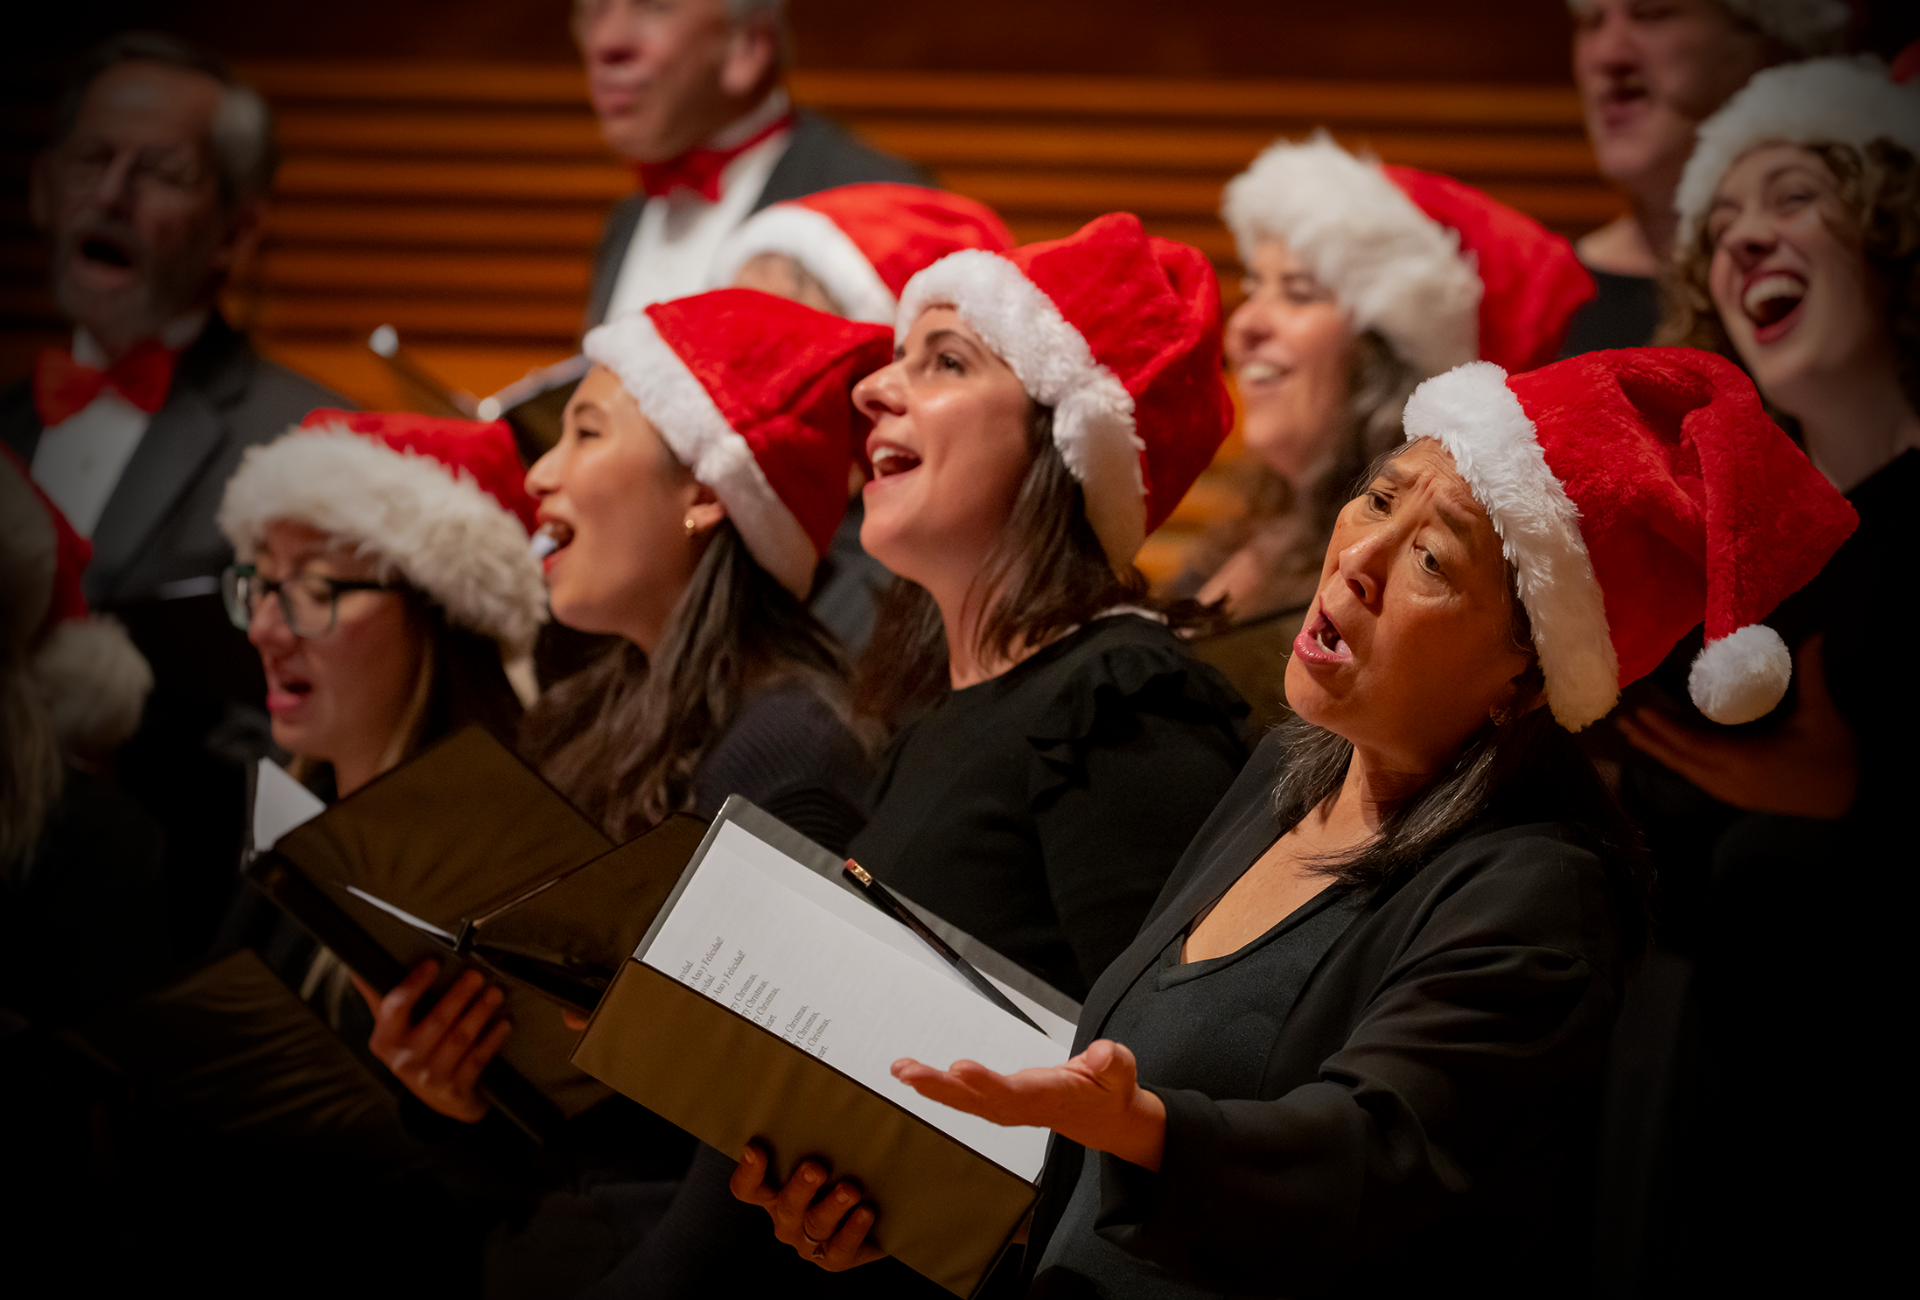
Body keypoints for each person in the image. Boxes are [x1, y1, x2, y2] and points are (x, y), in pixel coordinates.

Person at [738, 346, 1857, 1296]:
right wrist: (913, 1207)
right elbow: (1101, 1194)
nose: (1359, 558)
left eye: (1432, 556)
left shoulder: (1541, 888)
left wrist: (1144, 1127)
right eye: (1378, 498)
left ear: (1527, 675)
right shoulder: (1288, 772)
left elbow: (1370, 1150)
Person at [585, 215, 1251, 1300]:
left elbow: (1184, 1095)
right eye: (898, 358)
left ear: (1057, 441)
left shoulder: (1120, 696)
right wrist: (856, 1204)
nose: (875, 391)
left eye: (945, 360)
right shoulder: (929, 723)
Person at [352, 291, 892, 1297]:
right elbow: (571, 1148)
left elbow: (755, 1161)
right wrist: (450, 1090)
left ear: (705, 490)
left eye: (586, 431)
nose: (541, 470)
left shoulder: (788, 751)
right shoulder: (585, 716)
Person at [1607, 58, 1919, 1292]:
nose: (1743, 243)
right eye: (1720, 229)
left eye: (1788, 198)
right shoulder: (1726, 559)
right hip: (1694, 1122)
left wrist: (1861, 809)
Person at [1, 32, 346, 959]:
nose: (110, 193)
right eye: (90, 160)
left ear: (235, 230)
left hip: (173, 945)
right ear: (41, 186)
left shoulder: (310, 438)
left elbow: (330, 752)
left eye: (158, 172)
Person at [1183, 135, 1593, 728]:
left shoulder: (1386, 578)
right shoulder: (1256, 521)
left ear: (1385, 354)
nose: (1244, 323)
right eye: (1253, 288)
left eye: (1297, 293)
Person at [214, 409, 546, 1023]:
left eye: (315, 590)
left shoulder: (501, 884)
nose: (264, 629)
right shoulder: (284, 809)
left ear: (437, 614)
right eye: (260, 583)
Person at [709, 182, 1017, 651]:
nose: (736, 364)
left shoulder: (903, 581)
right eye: (731, 327)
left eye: (779, 336)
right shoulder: (732, 527)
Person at [579, 0, 926, 329]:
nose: (604, 41)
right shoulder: (624, 219)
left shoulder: (879, 204)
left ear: (748, 47)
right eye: (597, 8)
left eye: (655, 6)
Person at [1557, 0, 1848, 355]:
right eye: (1590, 22)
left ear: (1773, 42)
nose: (1607, 55)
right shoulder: (1538, 303)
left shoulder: (1846, 291)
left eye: (1652, 14)